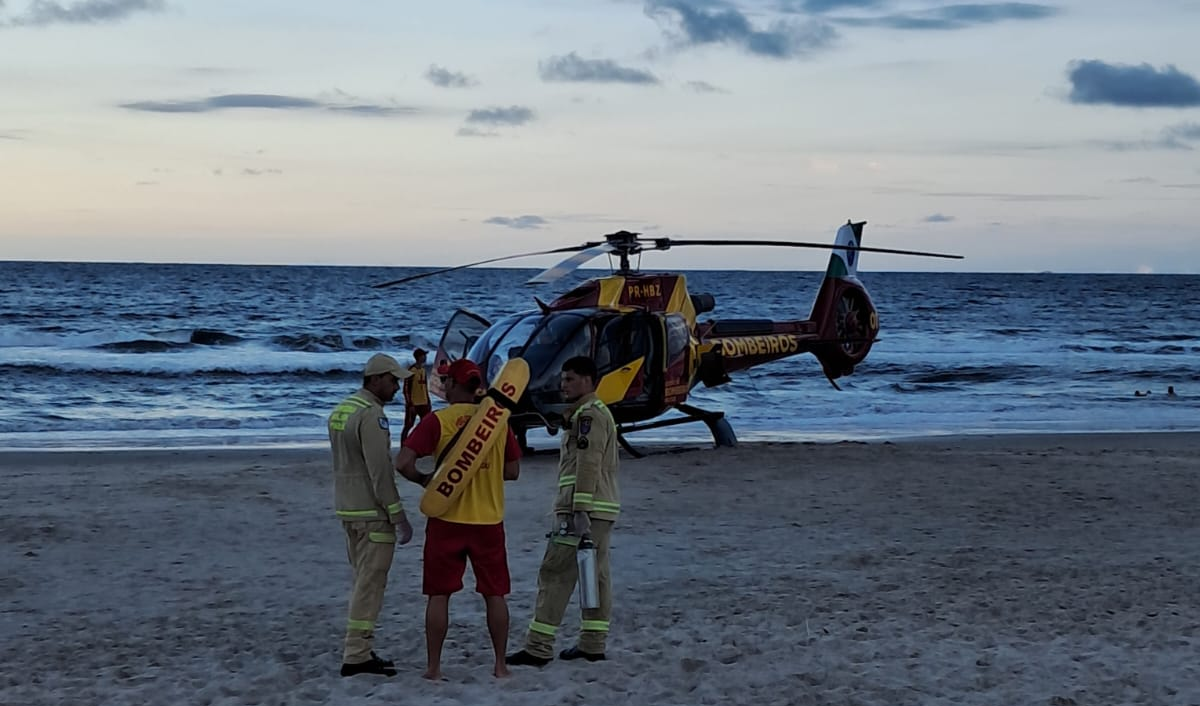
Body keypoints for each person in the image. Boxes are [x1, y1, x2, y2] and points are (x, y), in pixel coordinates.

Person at [394, 358, 522, 680]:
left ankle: (434, 668)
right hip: (488, 521)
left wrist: (427, 481)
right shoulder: (497, 422)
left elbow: (403, 463)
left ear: (452, 385)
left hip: (446, 519)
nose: (444, 385)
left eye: (446, 380)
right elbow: (512, 471)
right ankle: (500, 666)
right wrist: (484, 475)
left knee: (439, 595)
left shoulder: (438, 421)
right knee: (495, 594)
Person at [507, 355, 620, 667]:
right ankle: (592, 643)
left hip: (582, 509)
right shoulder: (594, 413)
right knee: (596, 577)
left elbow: (589, 462)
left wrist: (579, 508)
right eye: (562, 380)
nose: (563, 385)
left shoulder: (588, 416)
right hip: (602, 507)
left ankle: (538, 647)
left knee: (555, 574)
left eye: (569, 379)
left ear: (587, 380)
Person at [328, 353, 415, 678]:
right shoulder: (372, 416)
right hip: (372, 513)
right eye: (393, 381)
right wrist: (398, 516)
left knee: (362, 581)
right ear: (375, 379)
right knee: (370, 585)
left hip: (347, 509)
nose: (396, 388)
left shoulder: (342, 409)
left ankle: (360, 649)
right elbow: (380, 472)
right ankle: (356, 653)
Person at [401, 348, 432, 443]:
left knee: (426, 425)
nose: (425, 357)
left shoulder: (423, 370)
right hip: (414, 403)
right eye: (423, 355)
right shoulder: (411, 371)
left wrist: (428, 401)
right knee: (408, 425)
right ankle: (403, 444)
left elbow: (425, 387)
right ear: (419, 357)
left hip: (424, 402)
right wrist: (410, 404)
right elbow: (406, 389)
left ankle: (423, 444)